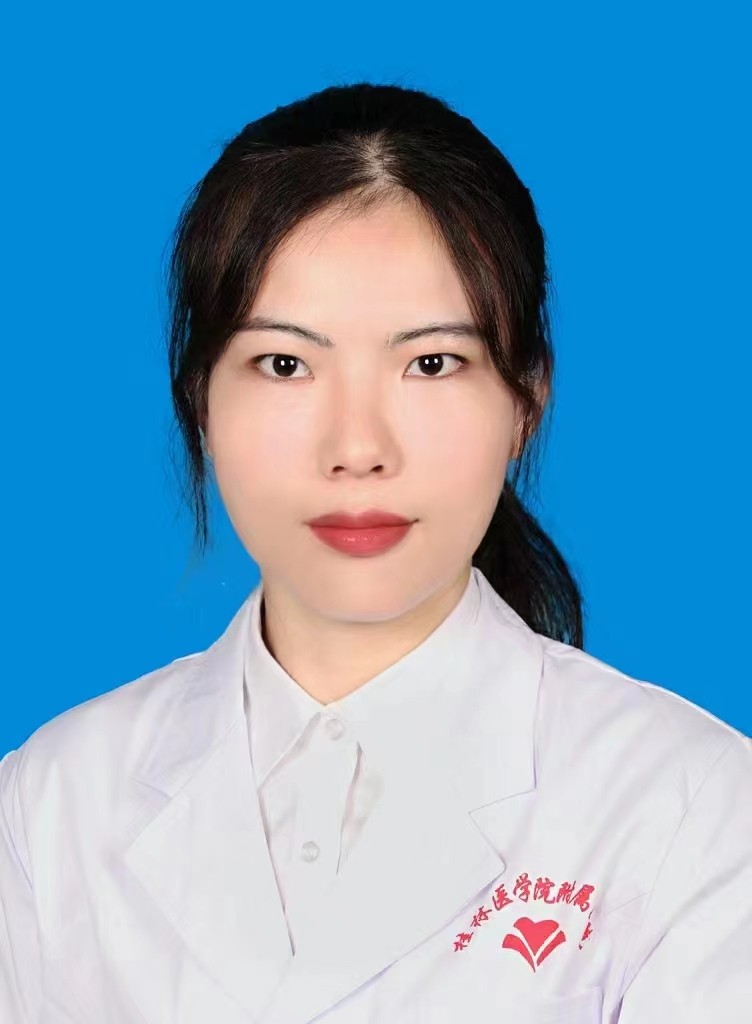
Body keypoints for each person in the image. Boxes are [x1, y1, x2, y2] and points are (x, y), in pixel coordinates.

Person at [1, 82, 750, 1023]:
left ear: (525, 400)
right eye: (285, 364)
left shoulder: (694, 809)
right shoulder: (49, 805)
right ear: (201, 403)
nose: (357, 448)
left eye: (431, 363)